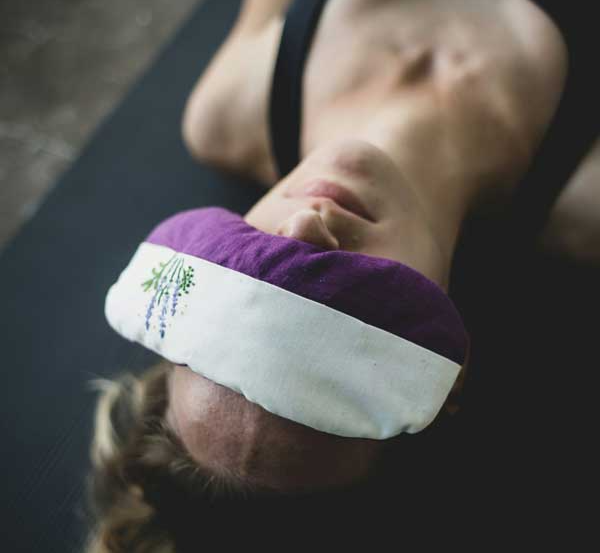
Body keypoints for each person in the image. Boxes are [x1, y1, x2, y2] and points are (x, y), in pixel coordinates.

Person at [85, 1, 598, 551]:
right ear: (449, 377)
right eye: (336, 320)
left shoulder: (229, 110)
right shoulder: (586, 204)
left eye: (241, 288)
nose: (305, 225)